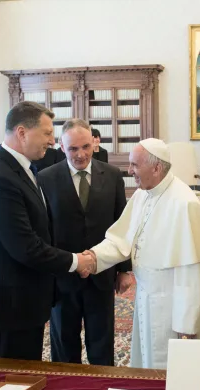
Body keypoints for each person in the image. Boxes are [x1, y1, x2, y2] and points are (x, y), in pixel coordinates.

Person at [80, 138, 200, 369]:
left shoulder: (184, 203)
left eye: (135, 165)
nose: (129, 171)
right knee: (149, 361)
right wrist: (93, 258)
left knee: (177, 369)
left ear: (156, 168)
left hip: (174, 303)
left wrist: (187, 325)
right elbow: (120, 240)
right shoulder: (142, 194)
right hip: (148, 295)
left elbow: (196, 272)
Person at [0, 101, 94, 361]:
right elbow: (26, 247)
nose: (52, 142)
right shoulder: (0, 179)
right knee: (16, 384)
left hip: (26, 299)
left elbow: (41, 229)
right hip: (12, 304)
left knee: (29, 377)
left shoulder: (21, 168)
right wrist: (76, 261)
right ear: (22, 132)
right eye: (47, 133)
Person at [38, 119, 132, 365]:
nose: (81, 154)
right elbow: (44, 230)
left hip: (102, 274)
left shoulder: (112, 175)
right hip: (63, 277)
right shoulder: (45, 178)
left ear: (95, 143)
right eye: (73, 149)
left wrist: (124, 269)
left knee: (102, 343)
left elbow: (121, 225)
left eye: (86, 147)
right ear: (61, 147)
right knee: (64, 344)